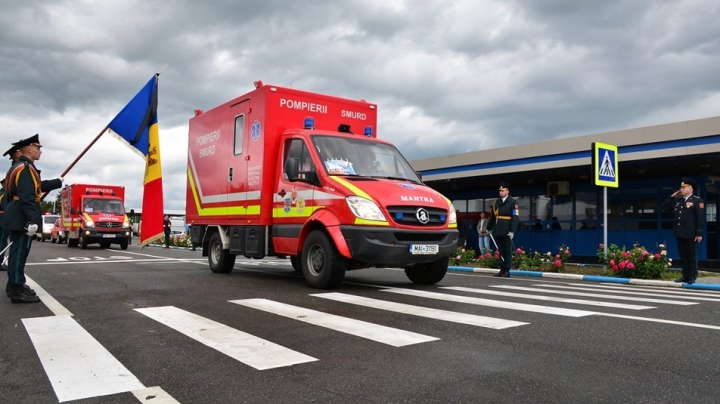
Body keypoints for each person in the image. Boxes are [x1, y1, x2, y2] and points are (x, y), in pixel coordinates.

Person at [4, 134, 61, 302]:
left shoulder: (22, 166)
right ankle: (16, 287)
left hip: (17, 215)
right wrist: (33, 220)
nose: (40, 151)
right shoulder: (25, 169)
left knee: (17, 252)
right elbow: (28, 197)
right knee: (19, 253)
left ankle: (15, 284)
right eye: (38, 148)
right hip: (22, 216)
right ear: (29, 149)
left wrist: (57, 182)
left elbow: (36, 187)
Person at [662, 177, 705, 284]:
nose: (681, 189)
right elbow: (664, 207)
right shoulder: (678, 201)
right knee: (683, 256)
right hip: (680, 232)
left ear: (690, 189)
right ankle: (685, 275)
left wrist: (699, 233)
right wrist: (672, 197)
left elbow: (700, 218)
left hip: (691, 233)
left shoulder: (696, 200)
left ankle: (692, 276)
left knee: (691, 256)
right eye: (681, 188)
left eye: (683, 187)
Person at [486, 182, 519, 277]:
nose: (501, 192)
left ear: (507, 191)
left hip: (507, 229)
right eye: (500, 190)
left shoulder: (513, 202)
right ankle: (502, 269)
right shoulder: (496, 202)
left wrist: (512, 231)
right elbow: (492, 217)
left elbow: (515, 217)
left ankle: (507, 270)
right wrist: (488, 228)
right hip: (498, 229)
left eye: (503, 190)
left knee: (507, 250)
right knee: (500, 250)